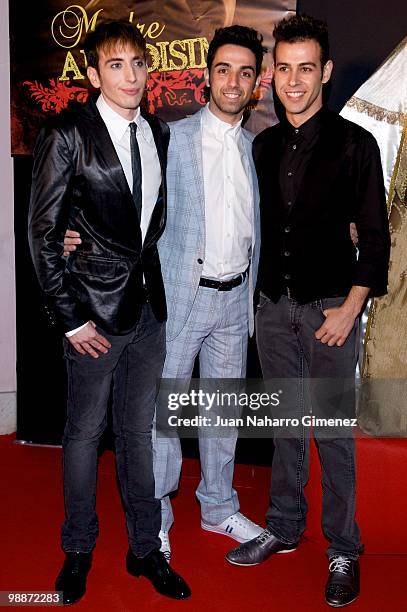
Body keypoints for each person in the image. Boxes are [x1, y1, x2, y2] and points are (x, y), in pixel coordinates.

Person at [64, 25, 266, 561]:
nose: (233, 81)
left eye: (245, 72)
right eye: (223, 69)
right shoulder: (167, 136)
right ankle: (158, 519)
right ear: (206, 77)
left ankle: (220, 506)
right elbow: (120, 202)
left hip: (234, 299)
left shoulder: (254, 148)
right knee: (163, 418)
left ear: (255, 85)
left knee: (223, 414)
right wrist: (73, 233)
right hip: (179, 298)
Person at [225, 14, 390, 609]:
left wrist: (348, 310)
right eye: (284, 69)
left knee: (331, 437)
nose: (293, 82)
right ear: (273, 75)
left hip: (328, 314)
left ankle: (344, 546)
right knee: (284, 429)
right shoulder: (262, 146)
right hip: (273, 311)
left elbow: (375, 240)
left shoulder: (355, 146)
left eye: (306, 69)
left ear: (324, 72)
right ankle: (285, 527)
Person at [28, 21, 190, 605]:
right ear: (94, 75)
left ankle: (146, 549)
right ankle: (77, 549)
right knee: (82, 435)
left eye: (138, 63)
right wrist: (70, 317)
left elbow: (144, 226)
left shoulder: (158, 133)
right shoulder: (68, 133)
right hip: (91, 314)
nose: (130, 75)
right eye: (116, 65)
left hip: (149, 310)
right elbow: (43, 232)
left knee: (138, 436)